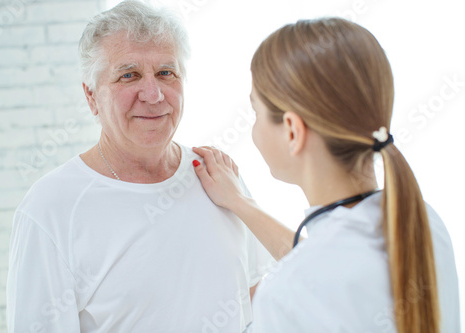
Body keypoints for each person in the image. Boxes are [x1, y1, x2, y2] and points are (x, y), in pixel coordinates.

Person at [6, 1, 274, 332]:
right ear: (91, 97)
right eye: (128, 75)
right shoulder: (50, 207)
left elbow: (250, 297)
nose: (153, 94)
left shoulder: (218, 176)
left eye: (166, 73)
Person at [192, 18, 461, 332]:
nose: (254, 127)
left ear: (292, 131)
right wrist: (239, 203)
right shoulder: (421, 220)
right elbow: (326, 267)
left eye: (257, 113)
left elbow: (314, 275)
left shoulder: (285, 296)